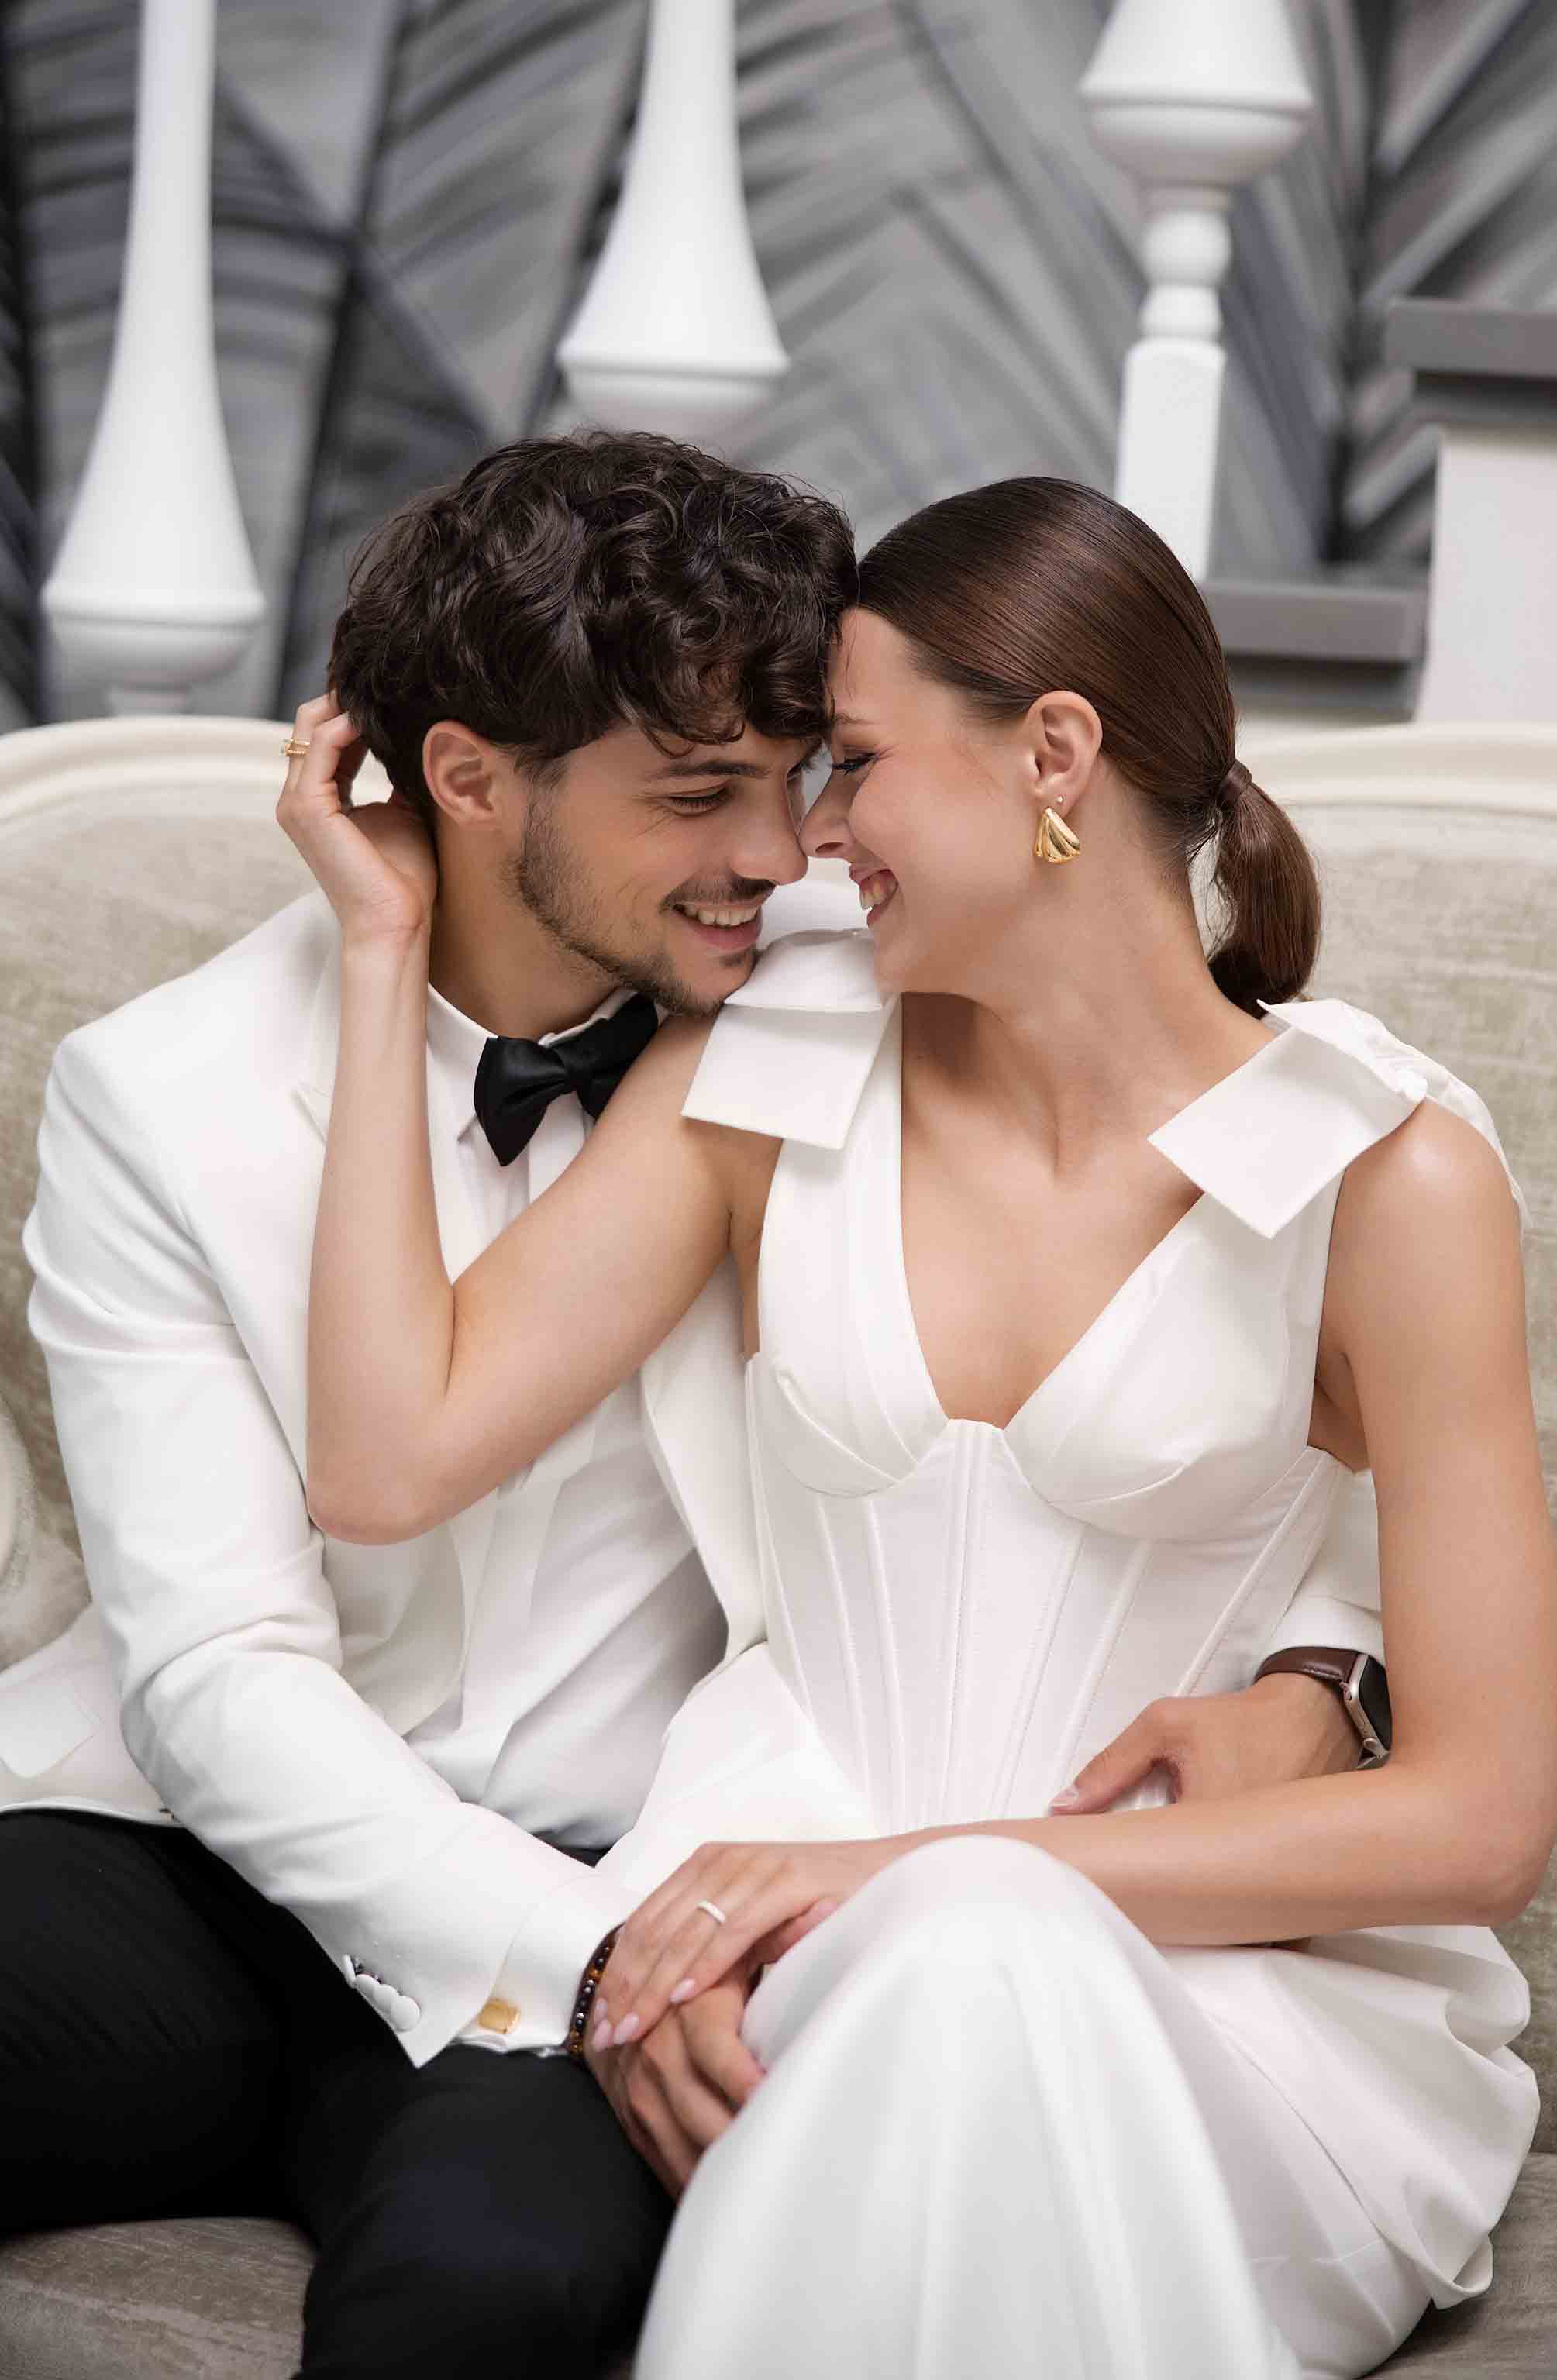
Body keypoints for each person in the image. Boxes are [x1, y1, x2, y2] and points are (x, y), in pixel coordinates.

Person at [0, 439, 1381, 2379]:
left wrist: (1325, 1673)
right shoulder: (163, 1095)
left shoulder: (861, 982)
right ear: (468, 779)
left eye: (799, 774)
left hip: (640, 1851)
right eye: (694, 795)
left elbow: (1226, 1310)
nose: (779, 851)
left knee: (494, 2291)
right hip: (192, 1857)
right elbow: (219, 1670)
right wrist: (593, 1971)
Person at [283, 474, 1557, 2380]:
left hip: (1222, 2012)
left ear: (1052, 755)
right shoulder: (764, 1072)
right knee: (939, 1982)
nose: (810, 835)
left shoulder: (1384, 1176)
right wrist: (383, 949)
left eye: (855, 765)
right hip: (789, 1933)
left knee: (976, 1958)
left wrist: (933, 1870)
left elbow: (1479, 1821)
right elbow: (386, 1461)